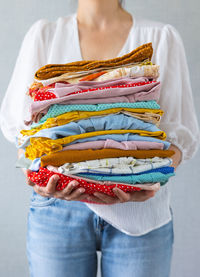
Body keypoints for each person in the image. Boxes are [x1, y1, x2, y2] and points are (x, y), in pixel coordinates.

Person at [0, 0, 199, 276]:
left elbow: (180, 135)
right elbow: (26, 137)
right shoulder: (44, 35)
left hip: (140, 215)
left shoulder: (161, 37)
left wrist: (152, 179)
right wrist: (36, 178)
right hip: (57, 209)